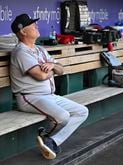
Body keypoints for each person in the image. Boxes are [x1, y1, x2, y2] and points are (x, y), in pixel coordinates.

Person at [10, 13, 89, 160]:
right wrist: (53, 70)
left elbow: (61, 69)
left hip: (49, 96)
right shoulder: (21, 51)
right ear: (22, 31)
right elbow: (40, 75)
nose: (36, 25)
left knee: (82, 111)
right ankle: (46, 136)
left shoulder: (40, 49)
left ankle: (52, 140)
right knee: (63, 116)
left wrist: (52, 65)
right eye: (32, 25)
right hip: (29, 97)